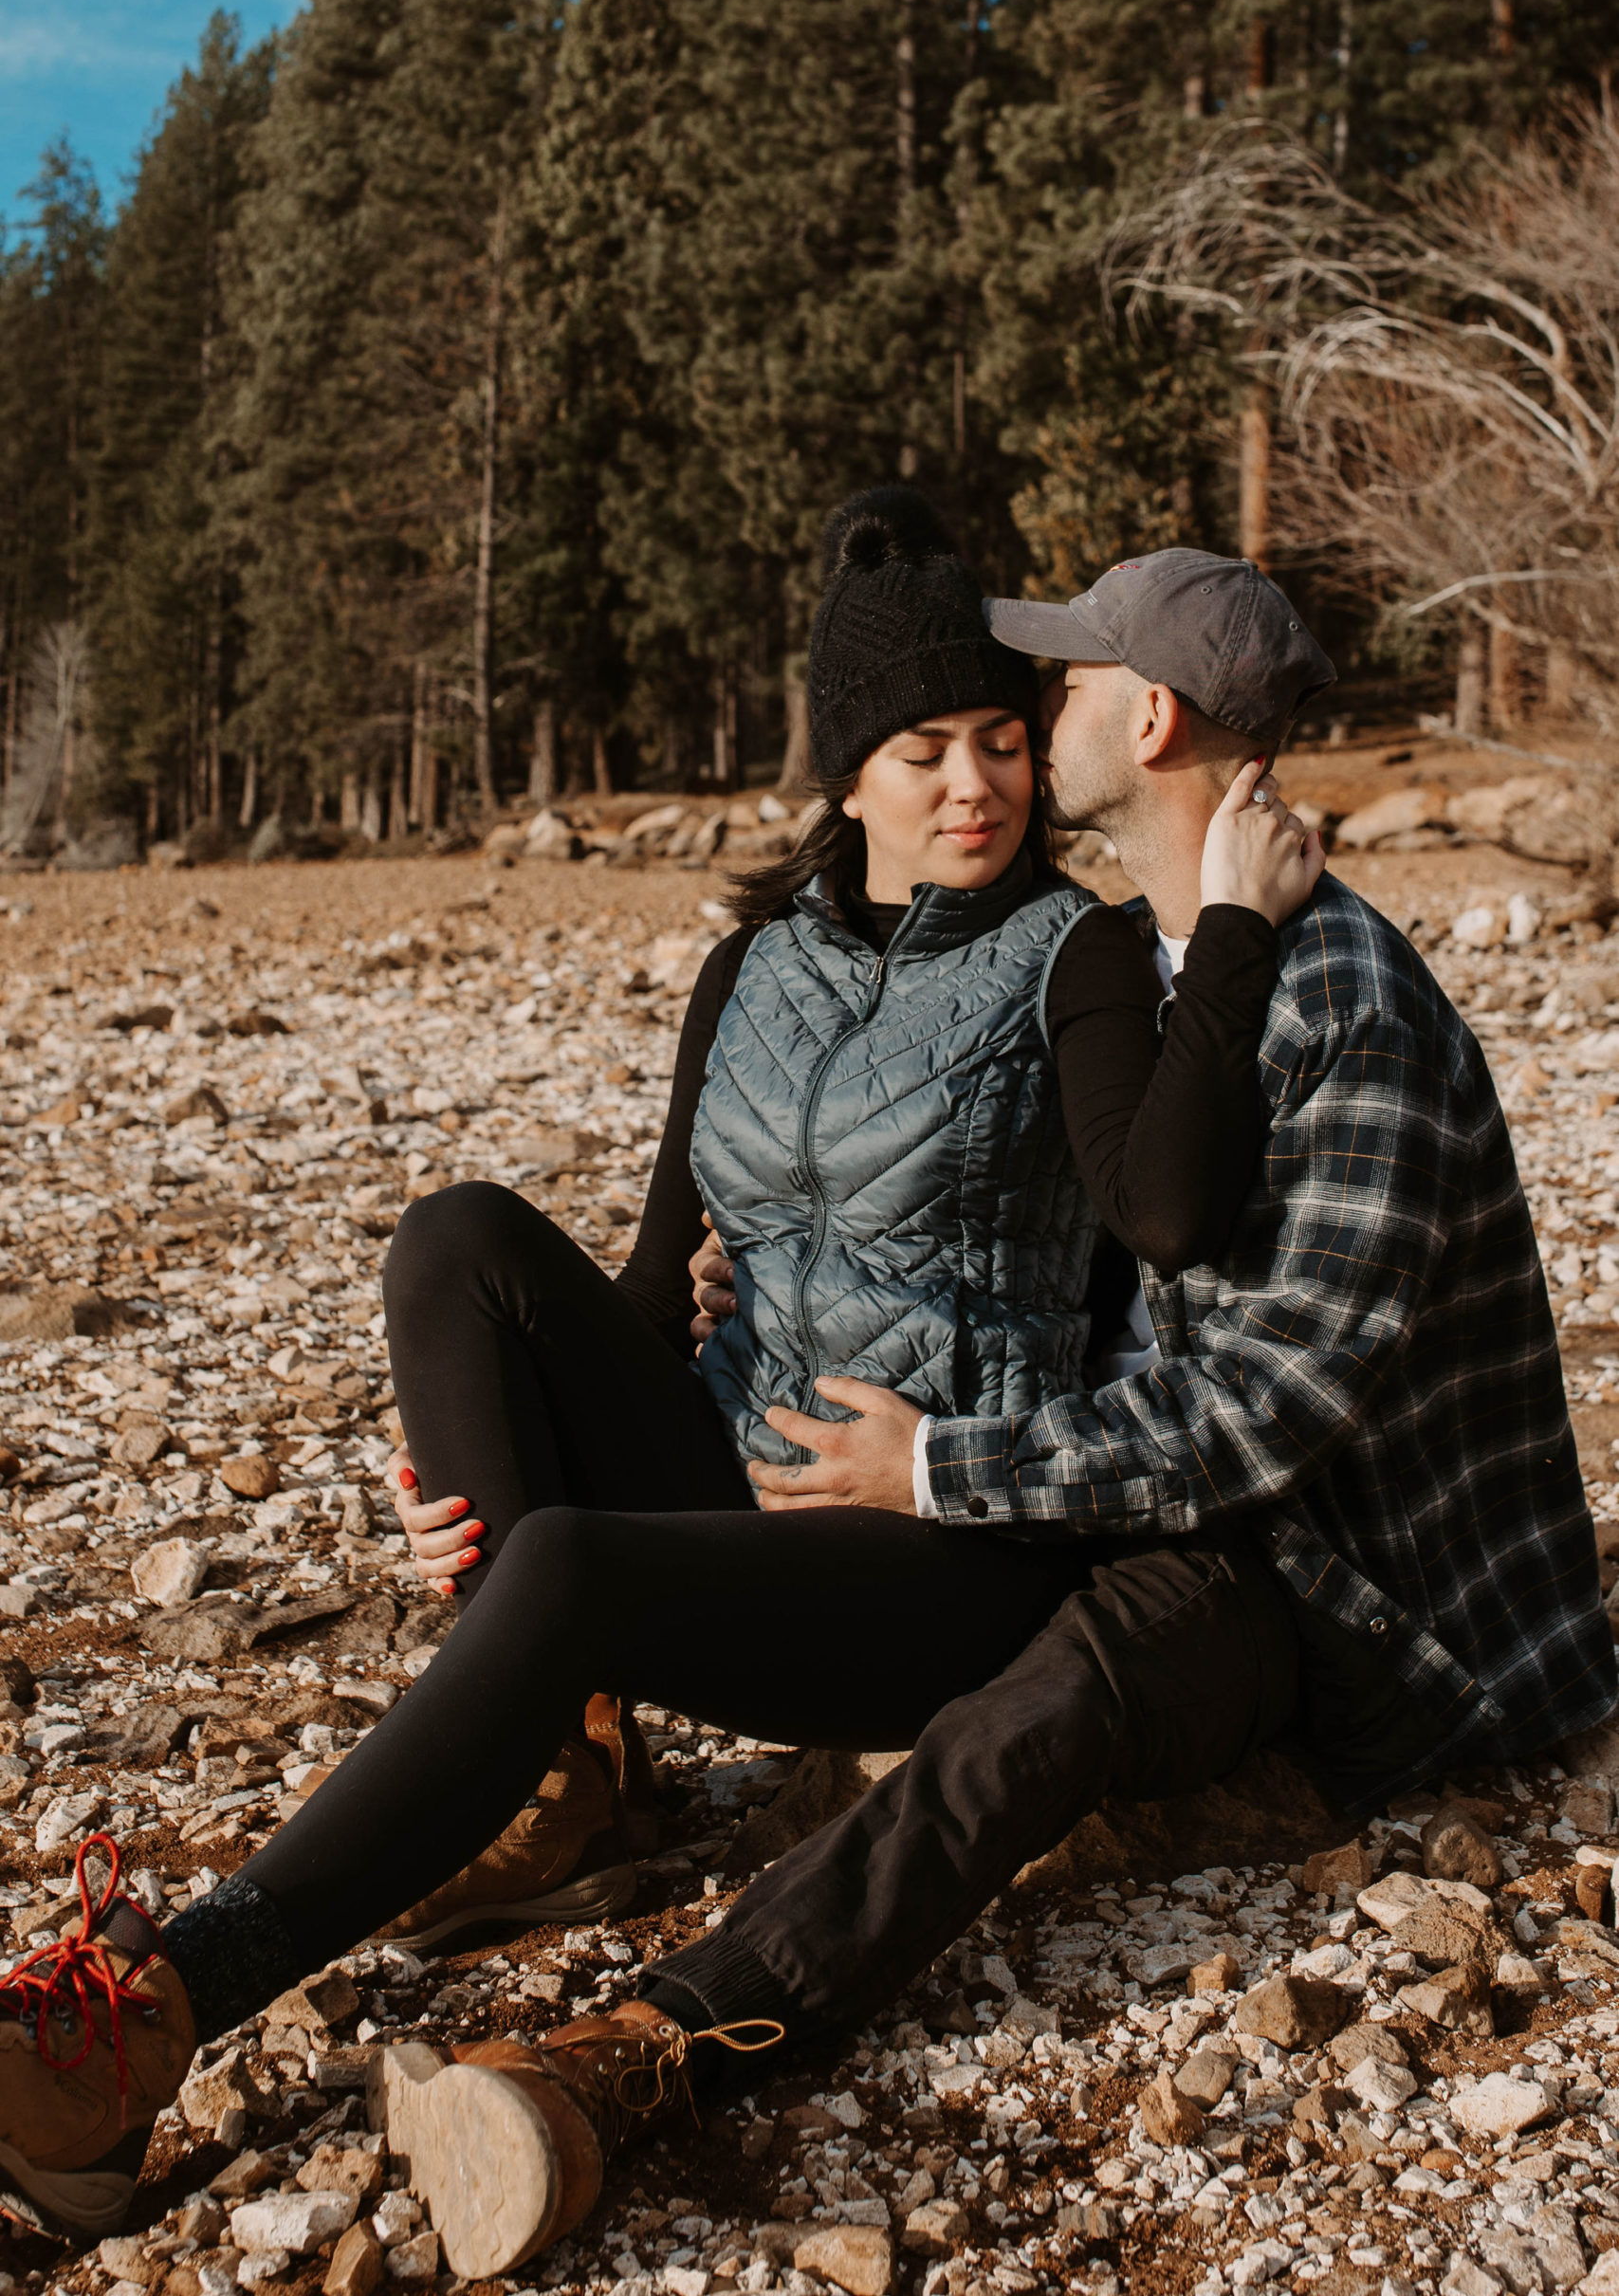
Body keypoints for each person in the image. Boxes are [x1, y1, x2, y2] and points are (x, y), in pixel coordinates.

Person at [0, 501, 1330, 2272]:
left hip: (941, 1542)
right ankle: (561, 1774)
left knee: (563, 1572)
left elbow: (1164, 1206)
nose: (977, 788)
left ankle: (153, 2021)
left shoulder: (1072, 959)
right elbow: (643, 1298)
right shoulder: (748, 970)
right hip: (742, 1472)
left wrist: (1228, 940)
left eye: (1004, 743)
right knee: (455, 1242)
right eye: (924, 749)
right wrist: (487, 1468)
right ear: (845, 774)